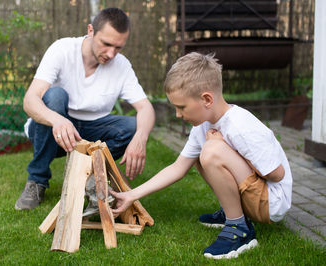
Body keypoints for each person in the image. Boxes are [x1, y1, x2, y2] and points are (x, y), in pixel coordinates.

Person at [111, 52, 292, 259]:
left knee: (211, 151)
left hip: (271, 202)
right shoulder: (203, 126)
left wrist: (221, 145)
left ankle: (239, 228)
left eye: (181, 107)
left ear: (206, 99)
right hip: (253, 192)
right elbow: (178, 168)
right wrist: (131, 195)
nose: (178, 114)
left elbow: (276, 174)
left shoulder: (240, 125)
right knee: (201, 153)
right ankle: (233, 209)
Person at [15, 8, 155, 210]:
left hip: (89, 131)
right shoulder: (62, 49)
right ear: (91, 31)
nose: (110, 53)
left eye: (118, 47)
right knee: (55, 96)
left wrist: (141, 137)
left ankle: (88, 175)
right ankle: (37, 181)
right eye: (106, 44)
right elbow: (30, 100)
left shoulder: (121, 66)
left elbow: (145, 107)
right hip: (51, 132)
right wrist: (57, 120)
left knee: (133, 127)